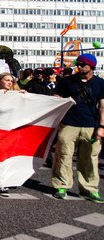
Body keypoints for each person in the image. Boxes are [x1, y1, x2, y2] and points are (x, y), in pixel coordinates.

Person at [51, 54, 104, 203]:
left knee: (90, 158)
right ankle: (62, 186)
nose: (78, 66)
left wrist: (101, 127)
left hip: (90, 125)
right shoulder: (67, 81)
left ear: (91, 66)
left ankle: (89, 189)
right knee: (63, 155)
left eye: (82, 64)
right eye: (77, 64)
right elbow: (56, 96)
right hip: (69, 123)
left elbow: (102, 107)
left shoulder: (100, 83)